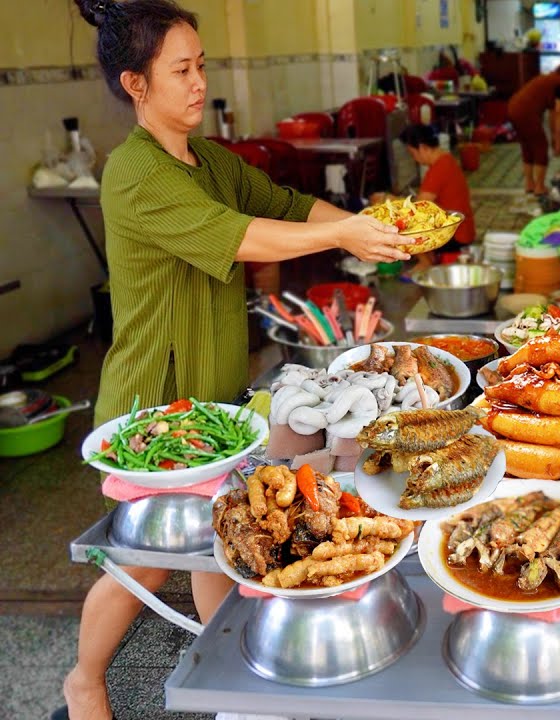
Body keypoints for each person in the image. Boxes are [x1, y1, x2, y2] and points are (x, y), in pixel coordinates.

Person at [60, 2, 409, 719]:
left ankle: (231, 692)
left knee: (227, 542)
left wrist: (364, 223)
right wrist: (347, 233)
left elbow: (284, 203)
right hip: (156, 417)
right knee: (148, 563)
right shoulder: (134, 174)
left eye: (202, 66)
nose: (198, 84)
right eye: (180, 71)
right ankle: (84, 680)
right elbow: (243, 237)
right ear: (135, 83)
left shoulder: (211, 160)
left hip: (215, 399)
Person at [399, 123, 476, 268]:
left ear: (422, 148)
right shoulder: (447, 160)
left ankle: (426, 264)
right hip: (463, 230)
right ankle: (431, 258)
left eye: (412, 153)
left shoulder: (439, 169)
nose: (414, 159)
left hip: (457, 236)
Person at [507, 60, 560, 196]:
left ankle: (529, 184)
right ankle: (539, 187)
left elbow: (552, 114)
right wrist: (558, 143)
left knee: (527, 146)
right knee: (540, 147)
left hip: (513, 107)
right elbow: (558, 116)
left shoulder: (551, 79)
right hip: (526, 111)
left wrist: (554, 138)